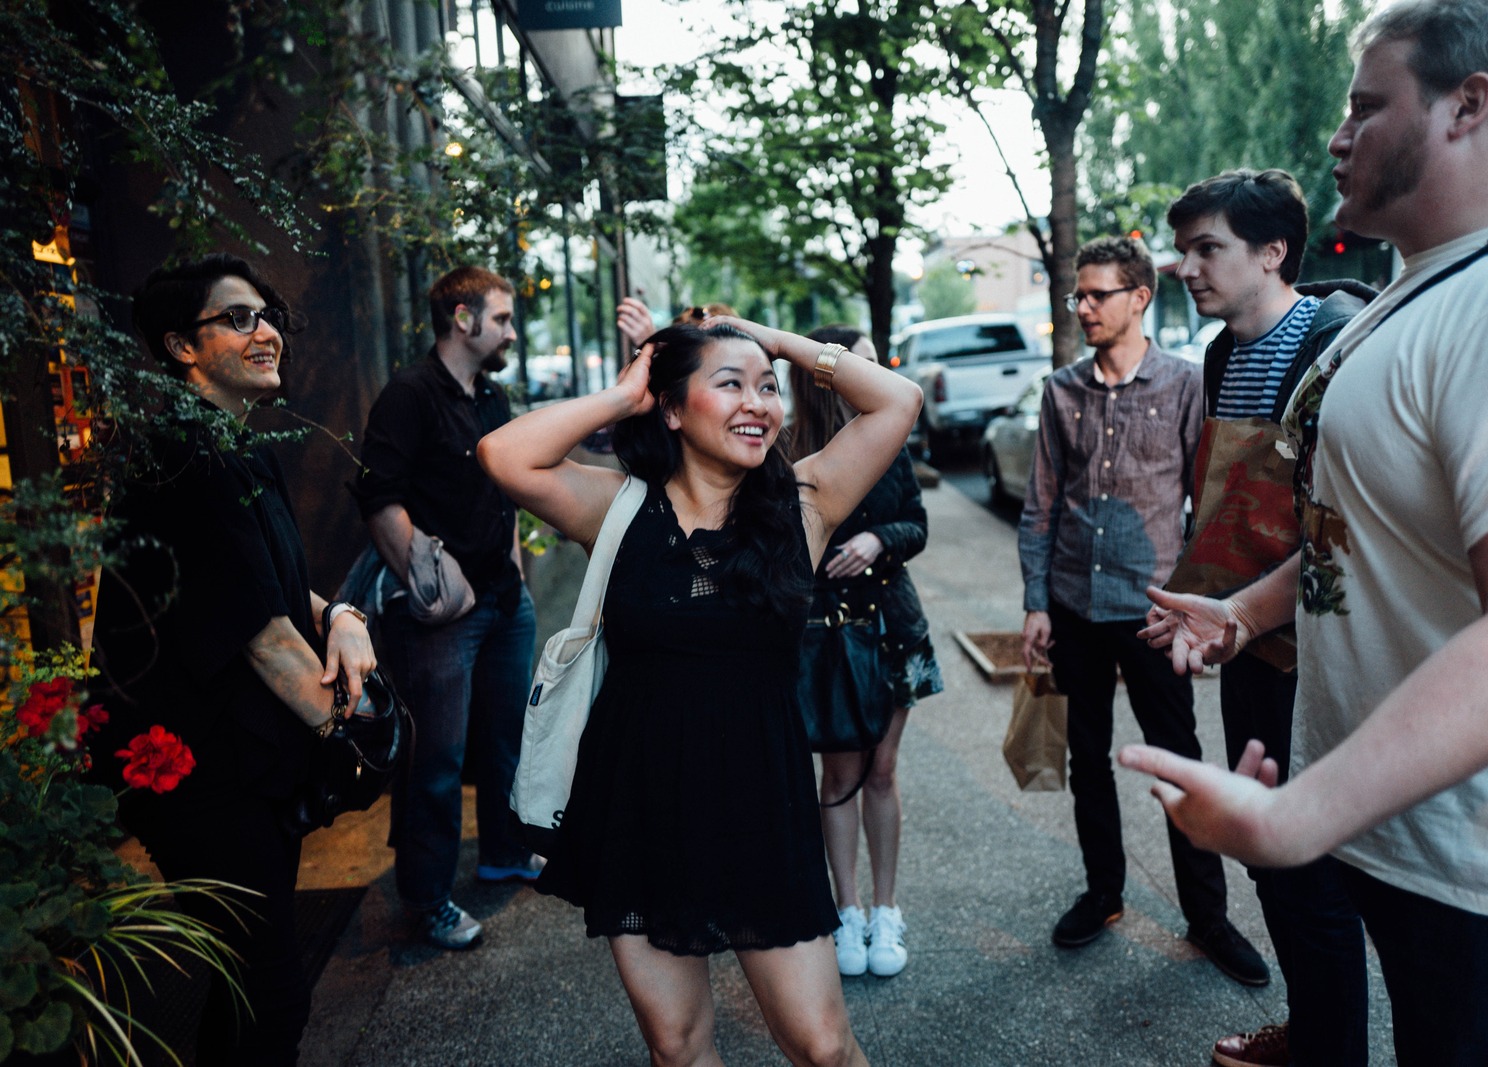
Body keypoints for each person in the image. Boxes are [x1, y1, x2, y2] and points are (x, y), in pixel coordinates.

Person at [1125, 1, 1488, 1062]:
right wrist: (1244, 612)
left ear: (1467, 105)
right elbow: (1370, 526)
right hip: (1412, 840)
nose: (1336, 137)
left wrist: (1296, 817)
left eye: (1365, 107)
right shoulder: (1427, 289)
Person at [477, 317, 922, 1066]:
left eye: (767, 389)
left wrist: (771, 342)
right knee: (678, 1047)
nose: (759, 403)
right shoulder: (616, 508)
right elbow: (503, 453)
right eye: (731, 385)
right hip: (641, 800)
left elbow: (896, 400)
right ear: (673, 407)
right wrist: (624, 394)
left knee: (822, 1044)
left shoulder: (802, 504)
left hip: (761, 800)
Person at [91, 254, 377, 1064]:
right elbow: (265, 636)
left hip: (239, 770)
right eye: (240, 318)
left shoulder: (236, 449)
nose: (267, 331)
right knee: (271, 997)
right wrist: (352, 734)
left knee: (247, 984)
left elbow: (282, 589)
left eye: (268, 314)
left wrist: (347, 613)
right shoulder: (186, 458)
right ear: (183, 346)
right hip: (202, 780)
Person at [1018, 235, 1268, 987]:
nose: (1084, 307)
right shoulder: (1061, 390)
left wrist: (1202, 603)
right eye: (1078, 296)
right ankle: (1103, 893)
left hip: (1155, 608)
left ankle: (1207, 915)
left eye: (1098, 294)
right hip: (1073, 604)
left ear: (1138, 298)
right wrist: (1035, 601)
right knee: (1085, 757)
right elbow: (1041, 504)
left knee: (1180, 759)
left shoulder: (1186, 385)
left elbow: (1212, 506)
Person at [1166, 170, 1374, 1067]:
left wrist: (1237, 611)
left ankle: (1331, 1048)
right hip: (1248, 642)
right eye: (1184, 249)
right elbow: (1231, 509)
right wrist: (1200, 601)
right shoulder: (1220, 353)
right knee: (1269, 850)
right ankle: (1316, 1028)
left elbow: (1348, 528)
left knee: (1314, 870)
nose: (1185, 266)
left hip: (1324, 650)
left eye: (1206, 247)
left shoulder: (1334, 347)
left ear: (1273, 252)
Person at [352, 266, 539, 950]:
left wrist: (513, 572)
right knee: (435, 758)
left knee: (505, 738)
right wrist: (433, 583)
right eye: (503, 319)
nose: (511, 332)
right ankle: (427, 897)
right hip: (443, 617)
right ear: (462, 319)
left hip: (503, 598)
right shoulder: (409, 394)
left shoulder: (488, 395)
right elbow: (378, 496)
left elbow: (512, 485)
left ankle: (505, 850)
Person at [789, 324, 944, 980]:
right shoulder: (789, 447)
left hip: (892, 625)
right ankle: (846, 909)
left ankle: (887, 908)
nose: (882, 377)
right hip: (825, 634)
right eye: (867, 365)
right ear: (829, 374)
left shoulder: (889, 442)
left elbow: (917, 523)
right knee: (841, 773)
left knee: (882, 769)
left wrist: (881, 539)